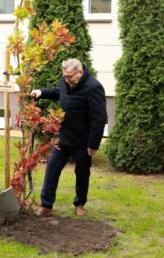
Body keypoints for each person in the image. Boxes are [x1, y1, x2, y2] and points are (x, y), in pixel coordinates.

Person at [31, 58, 107, 217]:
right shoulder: (66, 81)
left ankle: (80, 203)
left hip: (82, 141)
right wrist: (42, 92)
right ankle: (46, 205)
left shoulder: (93, 88)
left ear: (80, 72)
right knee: (52, 168)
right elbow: (59, 91)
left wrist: (93, 145)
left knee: (82, 172)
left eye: (70, 77)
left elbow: (99, 119)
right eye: (65, 76)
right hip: (63, 137)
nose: (66, 80)